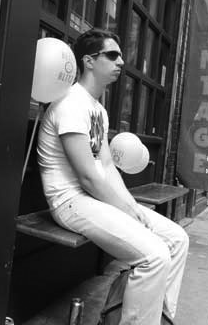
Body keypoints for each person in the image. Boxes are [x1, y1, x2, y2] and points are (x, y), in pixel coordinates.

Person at [37, 29, 189, 324]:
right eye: (112, 55)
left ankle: (161, 318)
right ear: (89, 61)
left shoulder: (99, 110)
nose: (121, 61)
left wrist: (130, 204)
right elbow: (87, 177)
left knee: (177, 239)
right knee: (155, 255)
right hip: (70, 201)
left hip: (93, 198)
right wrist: (127, 210)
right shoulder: (70, 103)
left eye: (120, 55)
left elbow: (106, 166)